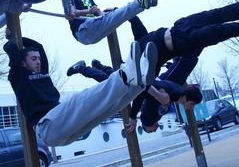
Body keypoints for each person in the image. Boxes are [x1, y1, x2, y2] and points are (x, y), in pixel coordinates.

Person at [4, 35, 158, 146]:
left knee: (104, 109)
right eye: (33, 59)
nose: (38, 62)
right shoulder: (19, 77)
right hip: (48, 126)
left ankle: (138, 85)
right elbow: (11, 48)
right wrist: (12, 38)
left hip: (63, 128)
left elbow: (39, 48)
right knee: (82, 99)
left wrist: (23, 40)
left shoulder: (43, 72)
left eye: (38, 59)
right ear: (22, 63)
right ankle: (125, 74)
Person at [128, 0, 239, 78]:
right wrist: (133, 115)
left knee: (218, 13)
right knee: (222, 31)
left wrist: (117, 11)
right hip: (184, 43)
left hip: (180, 26)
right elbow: (145, 86)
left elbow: (134, 20)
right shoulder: (147, 66)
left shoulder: (139, 41)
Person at [66, 56, 202, 133]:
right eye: (193, 105)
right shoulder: (168, 96)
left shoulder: (175, 92)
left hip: (132, 83)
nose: (191, 108)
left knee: (112, 75)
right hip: (131, 86)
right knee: (107, 81)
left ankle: (97, 65)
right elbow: (142, 91)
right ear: (187, 99)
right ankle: (82, 68)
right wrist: (132, 117)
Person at [68, 0, 157, 45]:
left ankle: (145, 2)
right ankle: (140, 1)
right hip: (82, 30)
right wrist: (88, 11)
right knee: (115, 16)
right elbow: (72, 12)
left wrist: (110, 13)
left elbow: (99, 13)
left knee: (117, 18)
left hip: (93, 34)